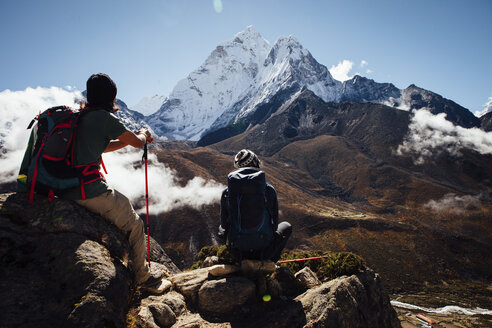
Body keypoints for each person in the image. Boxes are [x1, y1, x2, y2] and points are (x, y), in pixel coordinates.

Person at [63, 73, 160, 288]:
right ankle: (143, 277)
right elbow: (137, 142)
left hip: (65, 187)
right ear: (112, 97)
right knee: (135, 224)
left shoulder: (81, 116)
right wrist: (143, 134)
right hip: (88, 190)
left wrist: (126, 140)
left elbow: (103, 146)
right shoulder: (104, 118)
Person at [218, 149, 292, 262]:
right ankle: (271, 262)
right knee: (286, 226)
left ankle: (239, 262)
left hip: (238, 252)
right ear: (255, 163)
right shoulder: (269, 190)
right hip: (265, 250)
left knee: (220, 229)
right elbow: (275, 224)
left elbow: (223, 225)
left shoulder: (227, 193)